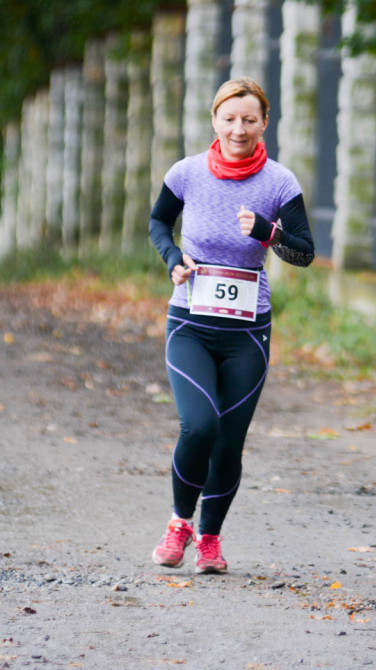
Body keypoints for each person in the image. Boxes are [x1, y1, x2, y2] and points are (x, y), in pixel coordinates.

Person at [148, 78, 315, 574]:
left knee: (229, 440)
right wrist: (173, 258)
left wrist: (267, 230)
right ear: (214, 121)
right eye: (229, 118)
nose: (238, 128)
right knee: (199, 425)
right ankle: (180, 523)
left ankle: (210, 540)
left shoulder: (280, 182)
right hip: (191, 321)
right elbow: (158, 222)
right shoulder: (187, 173)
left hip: (247, 332)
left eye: (249, 119)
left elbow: (303, 252)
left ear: (265, 123)